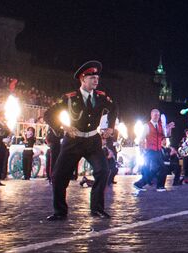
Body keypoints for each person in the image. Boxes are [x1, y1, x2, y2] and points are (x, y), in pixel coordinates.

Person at [45, 61, 119, 221]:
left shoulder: (101, 96)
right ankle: (60, 211)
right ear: (82, 79)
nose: (96, 80)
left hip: (93, 140)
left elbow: (114, 109)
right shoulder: (70, 98)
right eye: (92, 77)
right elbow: (48, 114)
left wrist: (111, 128)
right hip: (73, 141)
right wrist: (62, 126)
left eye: (97, 77)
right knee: (58, 176)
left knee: (103, 171)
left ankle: (97, 209)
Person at [136, 109, 167, 193]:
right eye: (155, 115)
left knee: (155, 169)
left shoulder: (160, 126)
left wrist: (169, 128)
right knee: (162, 167)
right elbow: (141, 139)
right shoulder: (147, 126)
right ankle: (160, 186)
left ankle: (139, 183)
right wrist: (141, 150)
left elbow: (166, 135)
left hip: (158, 150)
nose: (157, 116)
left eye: (158, 115)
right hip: (150, 150)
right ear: (151, 115)